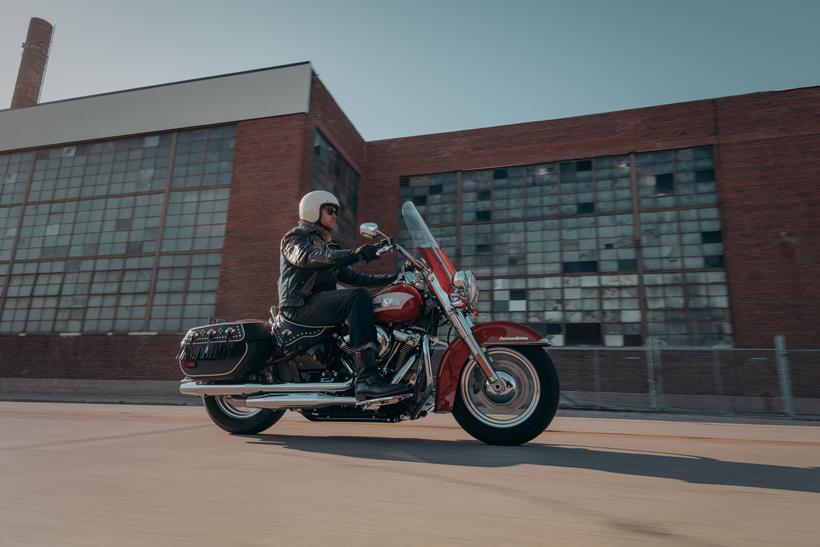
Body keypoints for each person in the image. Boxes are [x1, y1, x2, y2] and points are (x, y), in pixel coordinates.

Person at [278, 190, 411, 402]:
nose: (335, 216)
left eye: (336, 212)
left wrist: (396, 278)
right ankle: (367, 379)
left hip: (320, 304)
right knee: (358, 297)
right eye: (330, 210)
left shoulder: (330, 245)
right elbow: (307, 258)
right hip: (299, 307)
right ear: (313, 210)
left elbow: (355, 277)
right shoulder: (295, 237)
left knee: (364, 296)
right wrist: (357, 253)